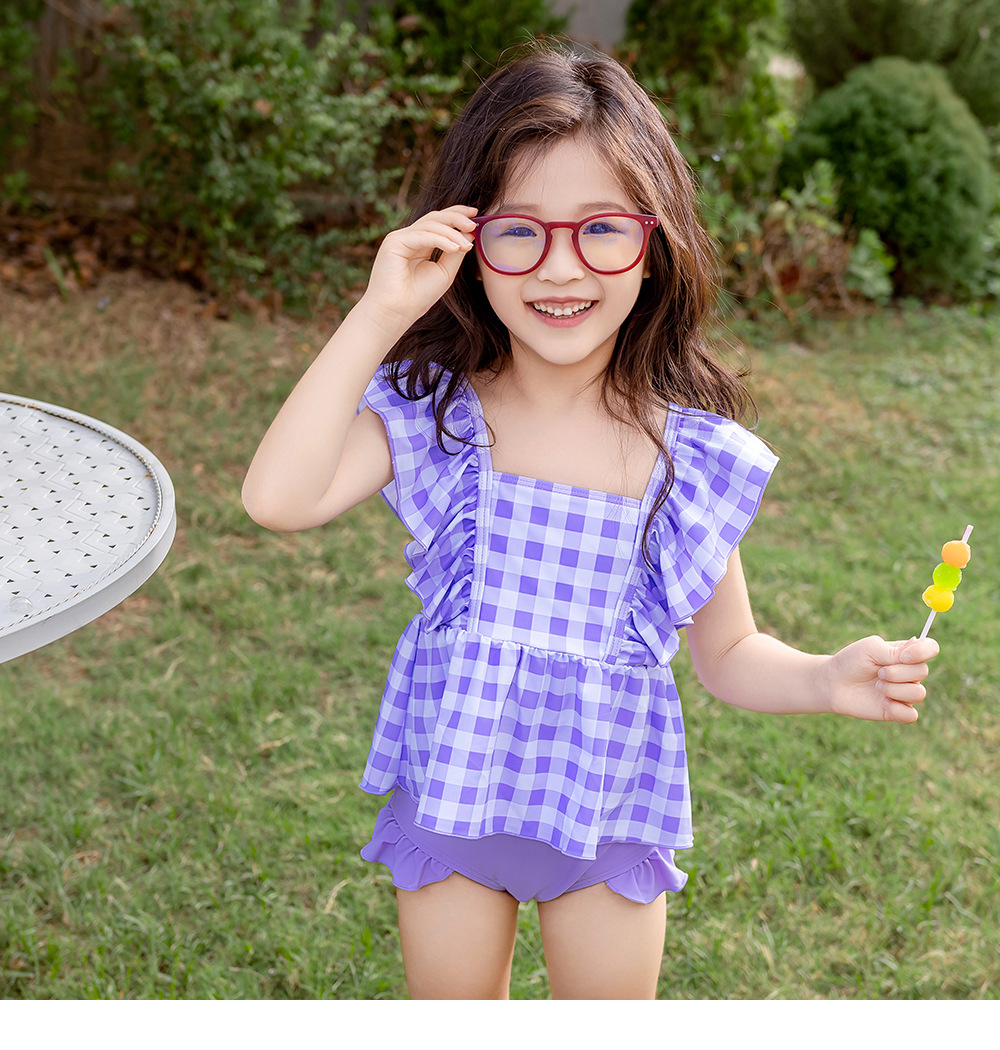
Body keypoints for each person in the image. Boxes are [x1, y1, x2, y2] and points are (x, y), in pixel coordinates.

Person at [242, 44, 938, 1000]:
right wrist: (378, 312)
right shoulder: (439, 412)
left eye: (602, 228)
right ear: (467, 242)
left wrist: (824, 678)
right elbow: (277, 499)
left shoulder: (685, 457)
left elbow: (729, 654)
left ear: (654, 245)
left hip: (609, 819)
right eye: (519, 231)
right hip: (452, 800)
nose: (560, 268)